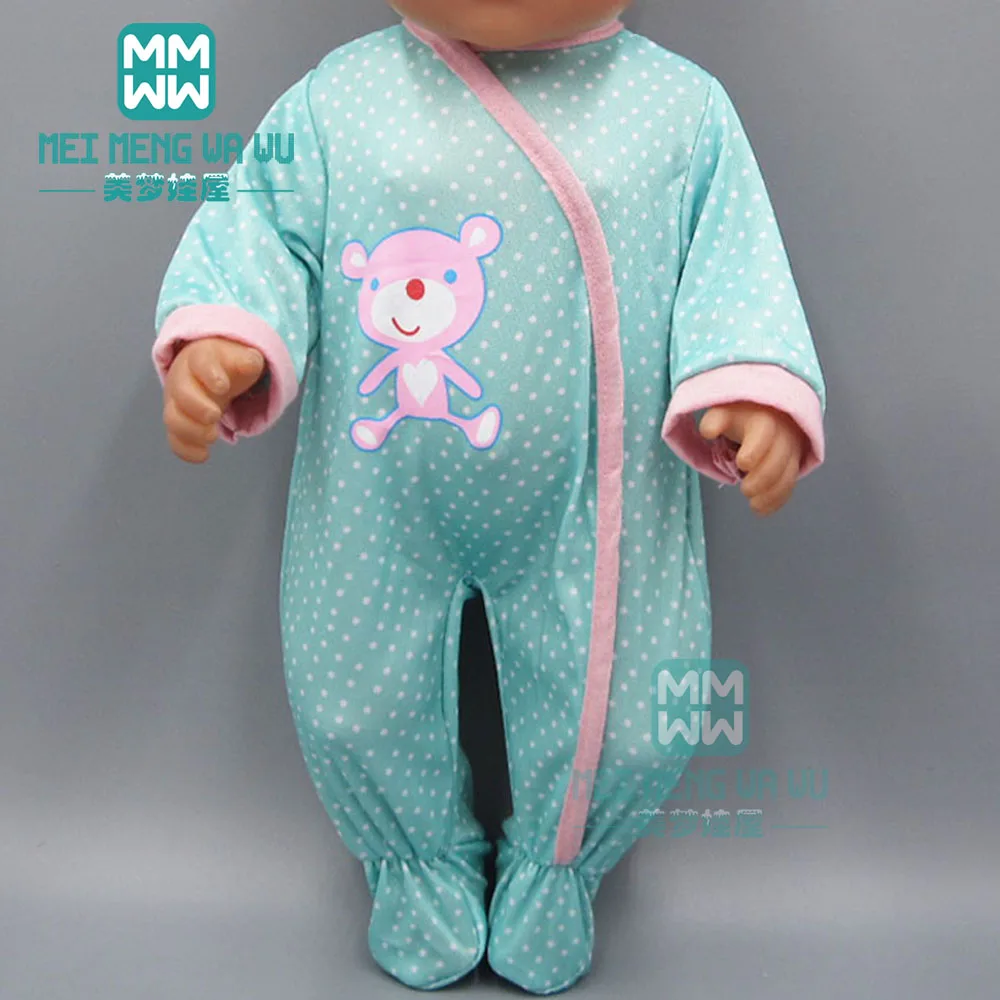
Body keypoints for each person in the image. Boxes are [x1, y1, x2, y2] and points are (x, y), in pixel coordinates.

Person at [153, 0, 826, 991]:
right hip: (380, 490)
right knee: (351, 690)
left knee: (631, 706)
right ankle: (415, 867)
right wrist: (228, 331)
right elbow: (260, 228)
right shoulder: (341, 102)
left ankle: (560, 873)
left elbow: (733, 269)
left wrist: (750, 386)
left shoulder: (680, 112)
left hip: (597, 497)